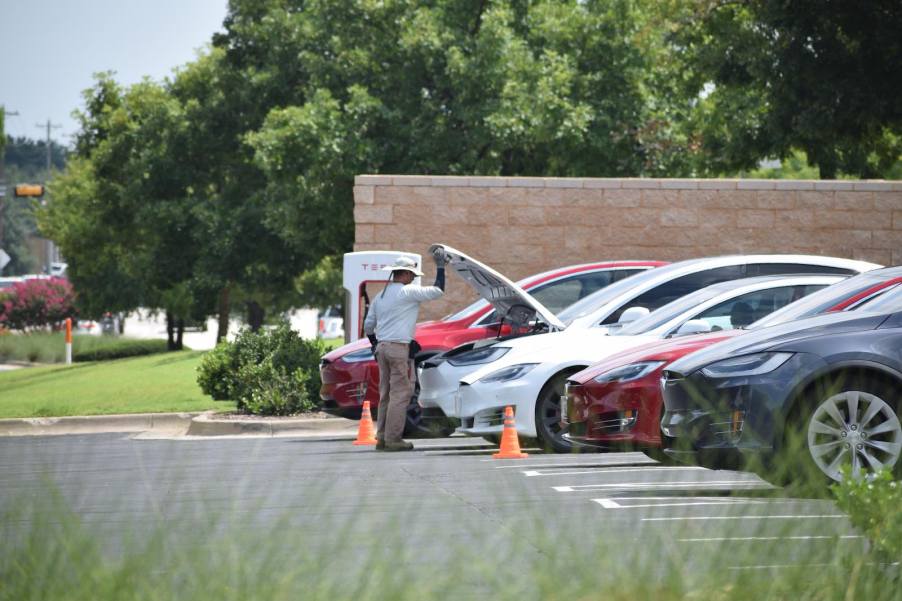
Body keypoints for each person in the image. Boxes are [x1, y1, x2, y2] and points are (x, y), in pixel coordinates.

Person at [363, 249, 448, 451]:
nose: (412, 279)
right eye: (412, 275)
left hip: (382, 348)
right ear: (406, 274)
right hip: (397, 348)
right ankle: (393, 439)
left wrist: (375, 344)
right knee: (401, 394)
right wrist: (441, 266)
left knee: (386, 394)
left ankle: (382, 437)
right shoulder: (407, 292)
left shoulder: (380, 296)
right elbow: (438, 290)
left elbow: (368, 325)